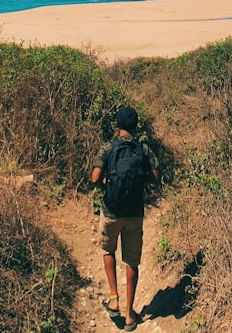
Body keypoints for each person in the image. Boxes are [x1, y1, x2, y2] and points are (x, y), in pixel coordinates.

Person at [91, 106, 160, 331]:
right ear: (135, 125)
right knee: (131, 262)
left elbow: (94, 177)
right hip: (135, 213)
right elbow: (156, 177)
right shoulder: (143, 149)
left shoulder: (108, 148)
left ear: (118, 124)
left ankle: (114, 298)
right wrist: (140, 180)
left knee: (108, 251)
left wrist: (105, 183)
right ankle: (130, 315)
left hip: (111, 210)